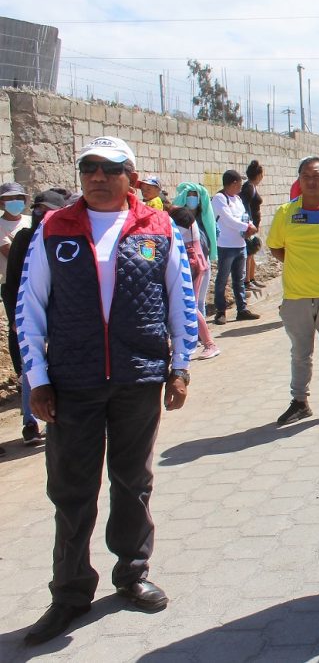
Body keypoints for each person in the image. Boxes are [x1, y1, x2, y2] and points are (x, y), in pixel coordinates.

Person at [16, 136, 197, 645]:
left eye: (110, 168)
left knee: (132, 480)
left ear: (131, 176)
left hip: (137, 377)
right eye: (88, 168)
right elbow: (29, 307)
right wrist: (38, 379)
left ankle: (132, 573)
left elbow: (181, 299)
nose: (97, 176)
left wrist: (180, 366)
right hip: (72, 382)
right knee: (72, 490)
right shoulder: (55, 228)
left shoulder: (157, 227)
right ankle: (70, 593)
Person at [267, 156, 319, 426]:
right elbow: (277, 247)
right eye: (306, 177)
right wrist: (299, 266)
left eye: (317, 176)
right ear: (299, 180)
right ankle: (299, 402)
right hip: (296, 297)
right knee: (300, 353)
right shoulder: (285, 213)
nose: (311, 181)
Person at [3, 188, 66, 448]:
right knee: (33, 367)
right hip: (31, 312)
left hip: (64, 315)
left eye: (47, 211)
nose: (41, 215)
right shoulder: (25, 238)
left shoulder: (67, 237)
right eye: (38, 210)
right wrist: (17, 317)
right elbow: (14, 282)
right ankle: (31, 422)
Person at [169, 190, 221, 361]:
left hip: (192, 264)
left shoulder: (178, 219)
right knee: (190, 305)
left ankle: (209, 344)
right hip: (196, 262)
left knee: (190, 305)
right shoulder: (184, 216)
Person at [212, 169, 259, 324]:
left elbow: (245, 216)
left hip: (240, 244)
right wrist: (247, 227)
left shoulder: (237, 200)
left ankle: (242, 309)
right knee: (222, 279)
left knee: (239, 279)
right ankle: (220, 311)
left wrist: (250, 226)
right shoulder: (219, 198)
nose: (241, 186)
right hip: (225, 245)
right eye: (239, 183)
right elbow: (228, 220)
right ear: (233, 183)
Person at [240, 160, 265, 291]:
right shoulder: (249, 187)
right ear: (259, 175)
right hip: (249, 226)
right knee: (249, 253)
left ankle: (252, 278)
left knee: (252, 252)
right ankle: (246, 282)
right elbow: (245, 206)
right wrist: (248, 225)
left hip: (254, 226)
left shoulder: (252, 186)